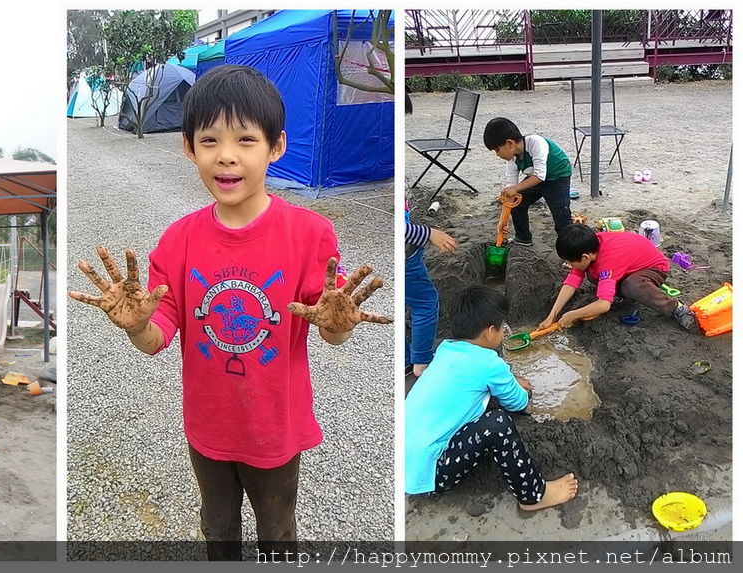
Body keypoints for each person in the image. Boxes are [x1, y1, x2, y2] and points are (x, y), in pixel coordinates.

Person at [69, 65, 391, 560]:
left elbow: (326, 324)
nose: (227, 155)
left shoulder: (310, 234)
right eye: (210, 140)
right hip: (209, 424)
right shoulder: (178, 242)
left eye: (245, 139)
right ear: (188, 147)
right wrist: (135, 325)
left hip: (274, 425)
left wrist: (339, 326)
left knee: (278, 531)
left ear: (276, 146)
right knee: (217, 529)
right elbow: (157, 336)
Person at [405, 285, 579, 511]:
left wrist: (509, 379)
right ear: (489, 331)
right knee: (497, 423)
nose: (504, 332)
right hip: (431, 473)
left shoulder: (445, 350)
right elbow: (518, 403)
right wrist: (522, 389)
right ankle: (533, 495)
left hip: (407, 461)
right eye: (502, 328)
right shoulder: (489, 363)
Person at [541, 223, 697, 331]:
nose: (568, 265)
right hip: (627, 267)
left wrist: (572, 315)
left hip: (653, 268)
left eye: (570, 261)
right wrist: (552, 316)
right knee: (595, 274)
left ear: (585, 257)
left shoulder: (608, 260)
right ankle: (618, 293)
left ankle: (677, 308)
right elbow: (571, 283)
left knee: (631, 286)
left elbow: (603, 306)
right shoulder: (588, 246)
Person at [404, 96, 458, 379]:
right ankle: (421, 363)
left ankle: (405, 357)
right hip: (406, 253)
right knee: (425, 302)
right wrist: (430, 234)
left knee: (407, 300)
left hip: (406, 249)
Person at [483, 117, 573, 247]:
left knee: (561, 216)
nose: (497, 155)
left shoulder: (536, 143)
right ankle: (523, 238)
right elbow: (510, 193)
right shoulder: (512, 160)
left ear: (510, 143)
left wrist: (515, 189)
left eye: (497, 150)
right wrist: (502, 222)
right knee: (516, 204)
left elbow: (539, 176)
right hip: (535, 179)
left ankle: (570, 251)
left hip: (557, 176)